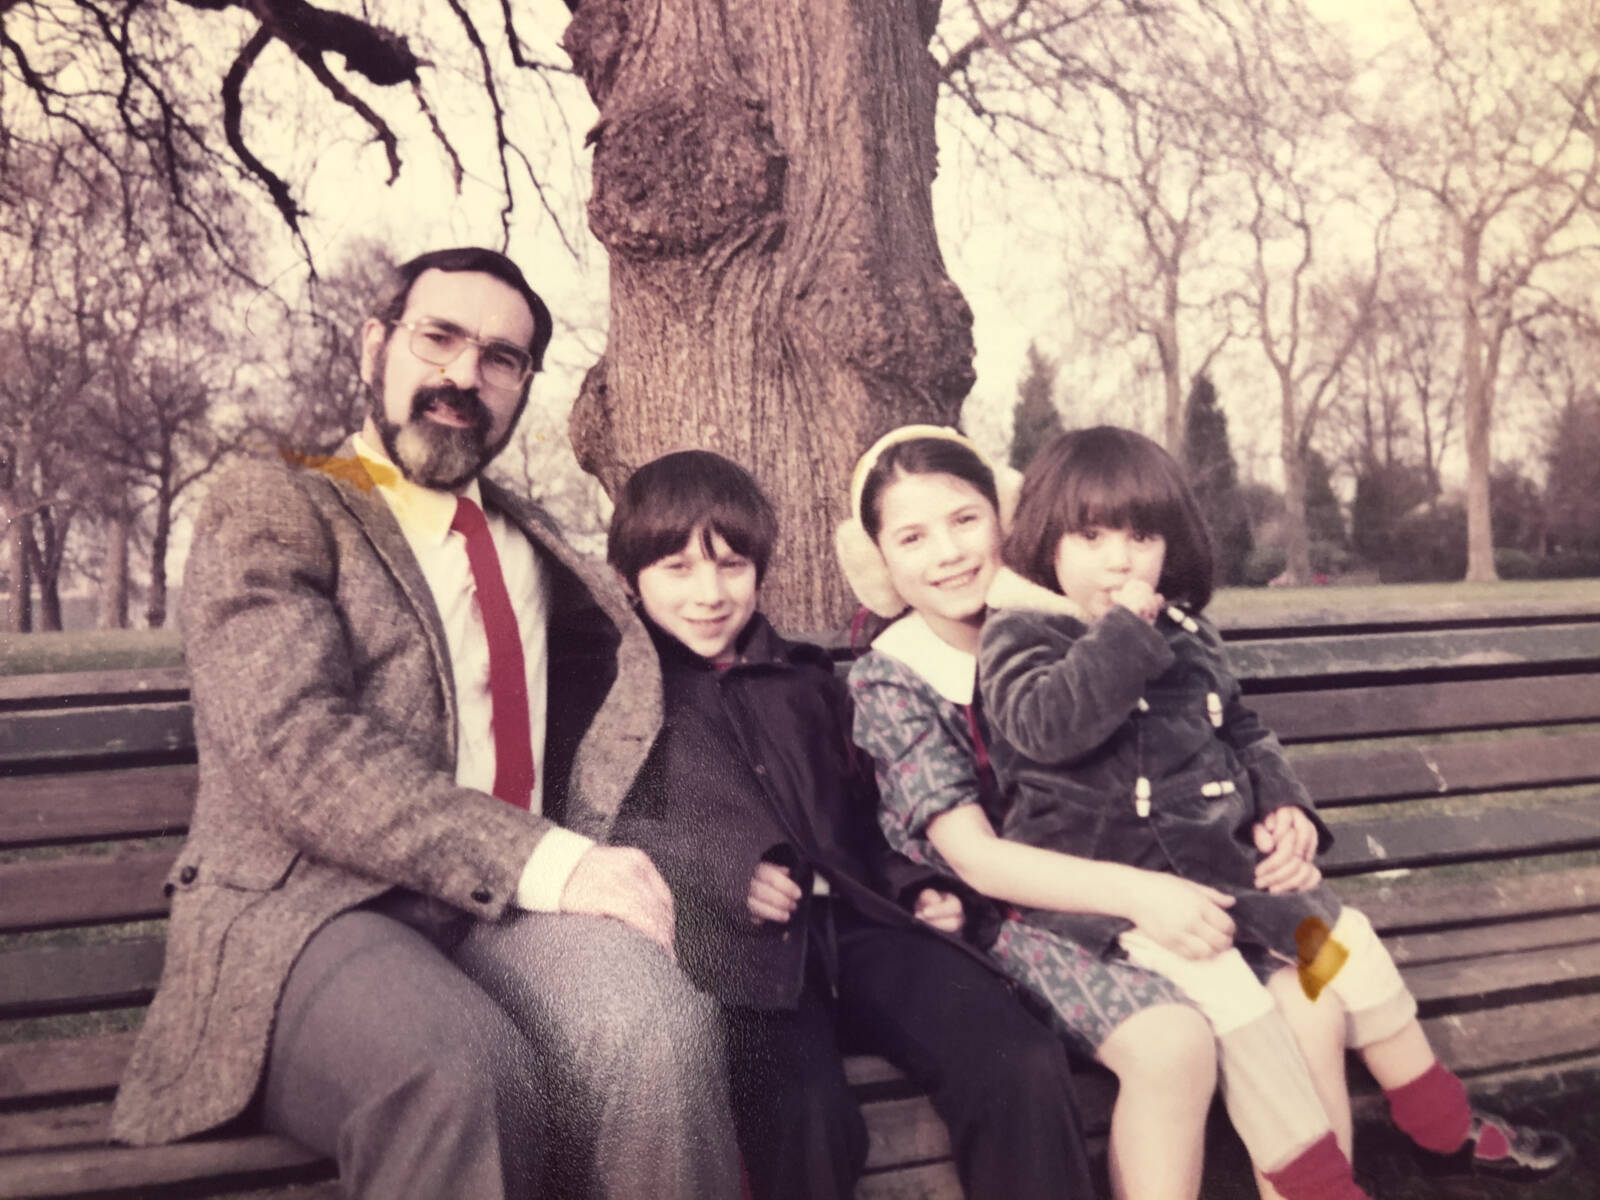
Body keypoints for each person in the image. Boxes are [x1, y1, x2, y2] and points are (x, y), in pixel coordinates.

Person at [109, 247, 741, 1200]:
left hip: (506, 919)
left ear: (524, 386)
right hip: (316, 915)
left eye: (499, 358)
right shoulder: (280, 502)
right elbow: (294, 744)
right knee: (462, 1072)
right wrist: (553, 860)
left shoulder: (536, 545)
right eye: (437, 338)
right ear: (378, 345)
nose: (462, 376)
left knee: (659, 1034)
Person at [977, 424, 1573, 1195]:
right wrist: (1124, 632)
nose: (1120, 559)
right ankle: (1319, 1183)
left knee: (1341, 946)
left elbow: (1244, 732)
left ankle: (1441, 1122)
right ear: (1046, 541)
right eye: (1091, 536)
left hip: (1230, 877)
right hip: (1119, 905)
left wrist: (1285, 804)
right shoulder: (1023, 632)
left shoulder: (1188, 633)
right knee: (1233, 997)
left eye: (1141, 534)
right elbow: (1048, 726)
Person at [607, 449, 1096, 1200]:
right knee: (808, 1117)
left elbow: (871, 812)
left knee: (1016, 1057)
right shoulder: (622, 693)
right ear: (633, 576)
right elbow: (599, 820)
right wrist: (721, 869)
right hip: (746, 967)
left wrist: (921, 882)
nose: (709, 593)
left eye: (731, 565)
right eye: (677, 568)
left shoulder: (804, 679)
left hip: (864, 930)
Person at [839, 426, 1219, 1200]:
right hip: (1000, 926)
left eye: (965, 520)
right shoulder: (897, 677)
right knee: (1173, 1042)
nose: (947, 552)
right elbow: (976, 859)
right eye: (912, 537)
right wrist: (1142, 893)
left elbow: (1210, 732)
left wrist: (1283, 810)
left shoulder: (1069, 631)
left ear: (1007, 517)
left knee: (1304, 984)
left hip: (1125, 891)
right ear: (879, 561)